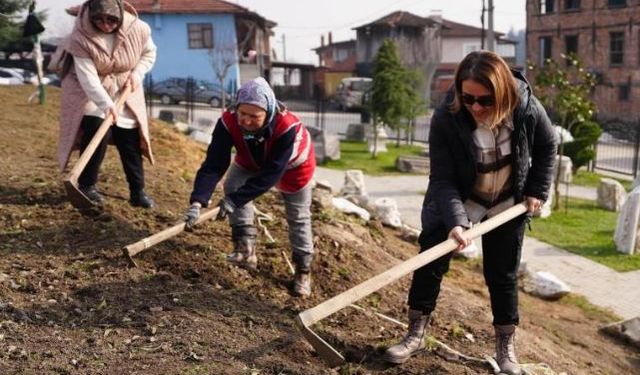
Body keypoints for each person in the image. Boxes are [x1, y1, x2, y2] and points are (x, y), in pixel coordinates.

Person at [383, 51, 556, 375]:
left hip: (507, 201)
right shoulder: (447, 117)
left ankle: (505, 347)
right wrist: (457, 222)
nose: (476, 107)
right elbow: (443, 179)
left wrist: (536, 190)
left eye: (485, 100)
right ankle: (415, 332)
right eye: (469, 98)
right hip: (463, 197)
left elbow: (548, 145)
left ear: (503, 93)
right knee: (431, 259)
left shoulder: (526, 107)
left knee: (502, 274)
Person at [183, 77, 316, 297]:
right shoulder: (228, 121)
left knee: (298, 216)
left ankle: (303, 271)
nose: (245, 121)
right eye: (242, 113)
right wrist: (198, 201)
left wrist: (234, 201)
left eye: (254, 116)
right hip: (251, 157)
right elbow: (214, 163)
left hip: (293, 166)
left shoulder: (287, 127)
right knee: (233, 183)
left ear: (268, 112)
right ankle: (245, 251)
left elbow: (271, 174)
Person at [56, 0, 156, 208]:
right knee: (95, 127)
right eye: (98, 19)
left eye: (111, 20)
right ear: (91, 16)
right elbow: (87, 78)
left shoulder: (138, 29)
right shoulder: (81, 36)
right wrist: (105, 104)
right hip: (91, 90)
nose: (105, 25)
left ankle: (138, 191)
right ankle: (87, 185)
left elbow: (149, 54)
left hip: (125, 85)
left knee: (129, 136)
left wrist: (137, 74)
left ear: (120, 16)